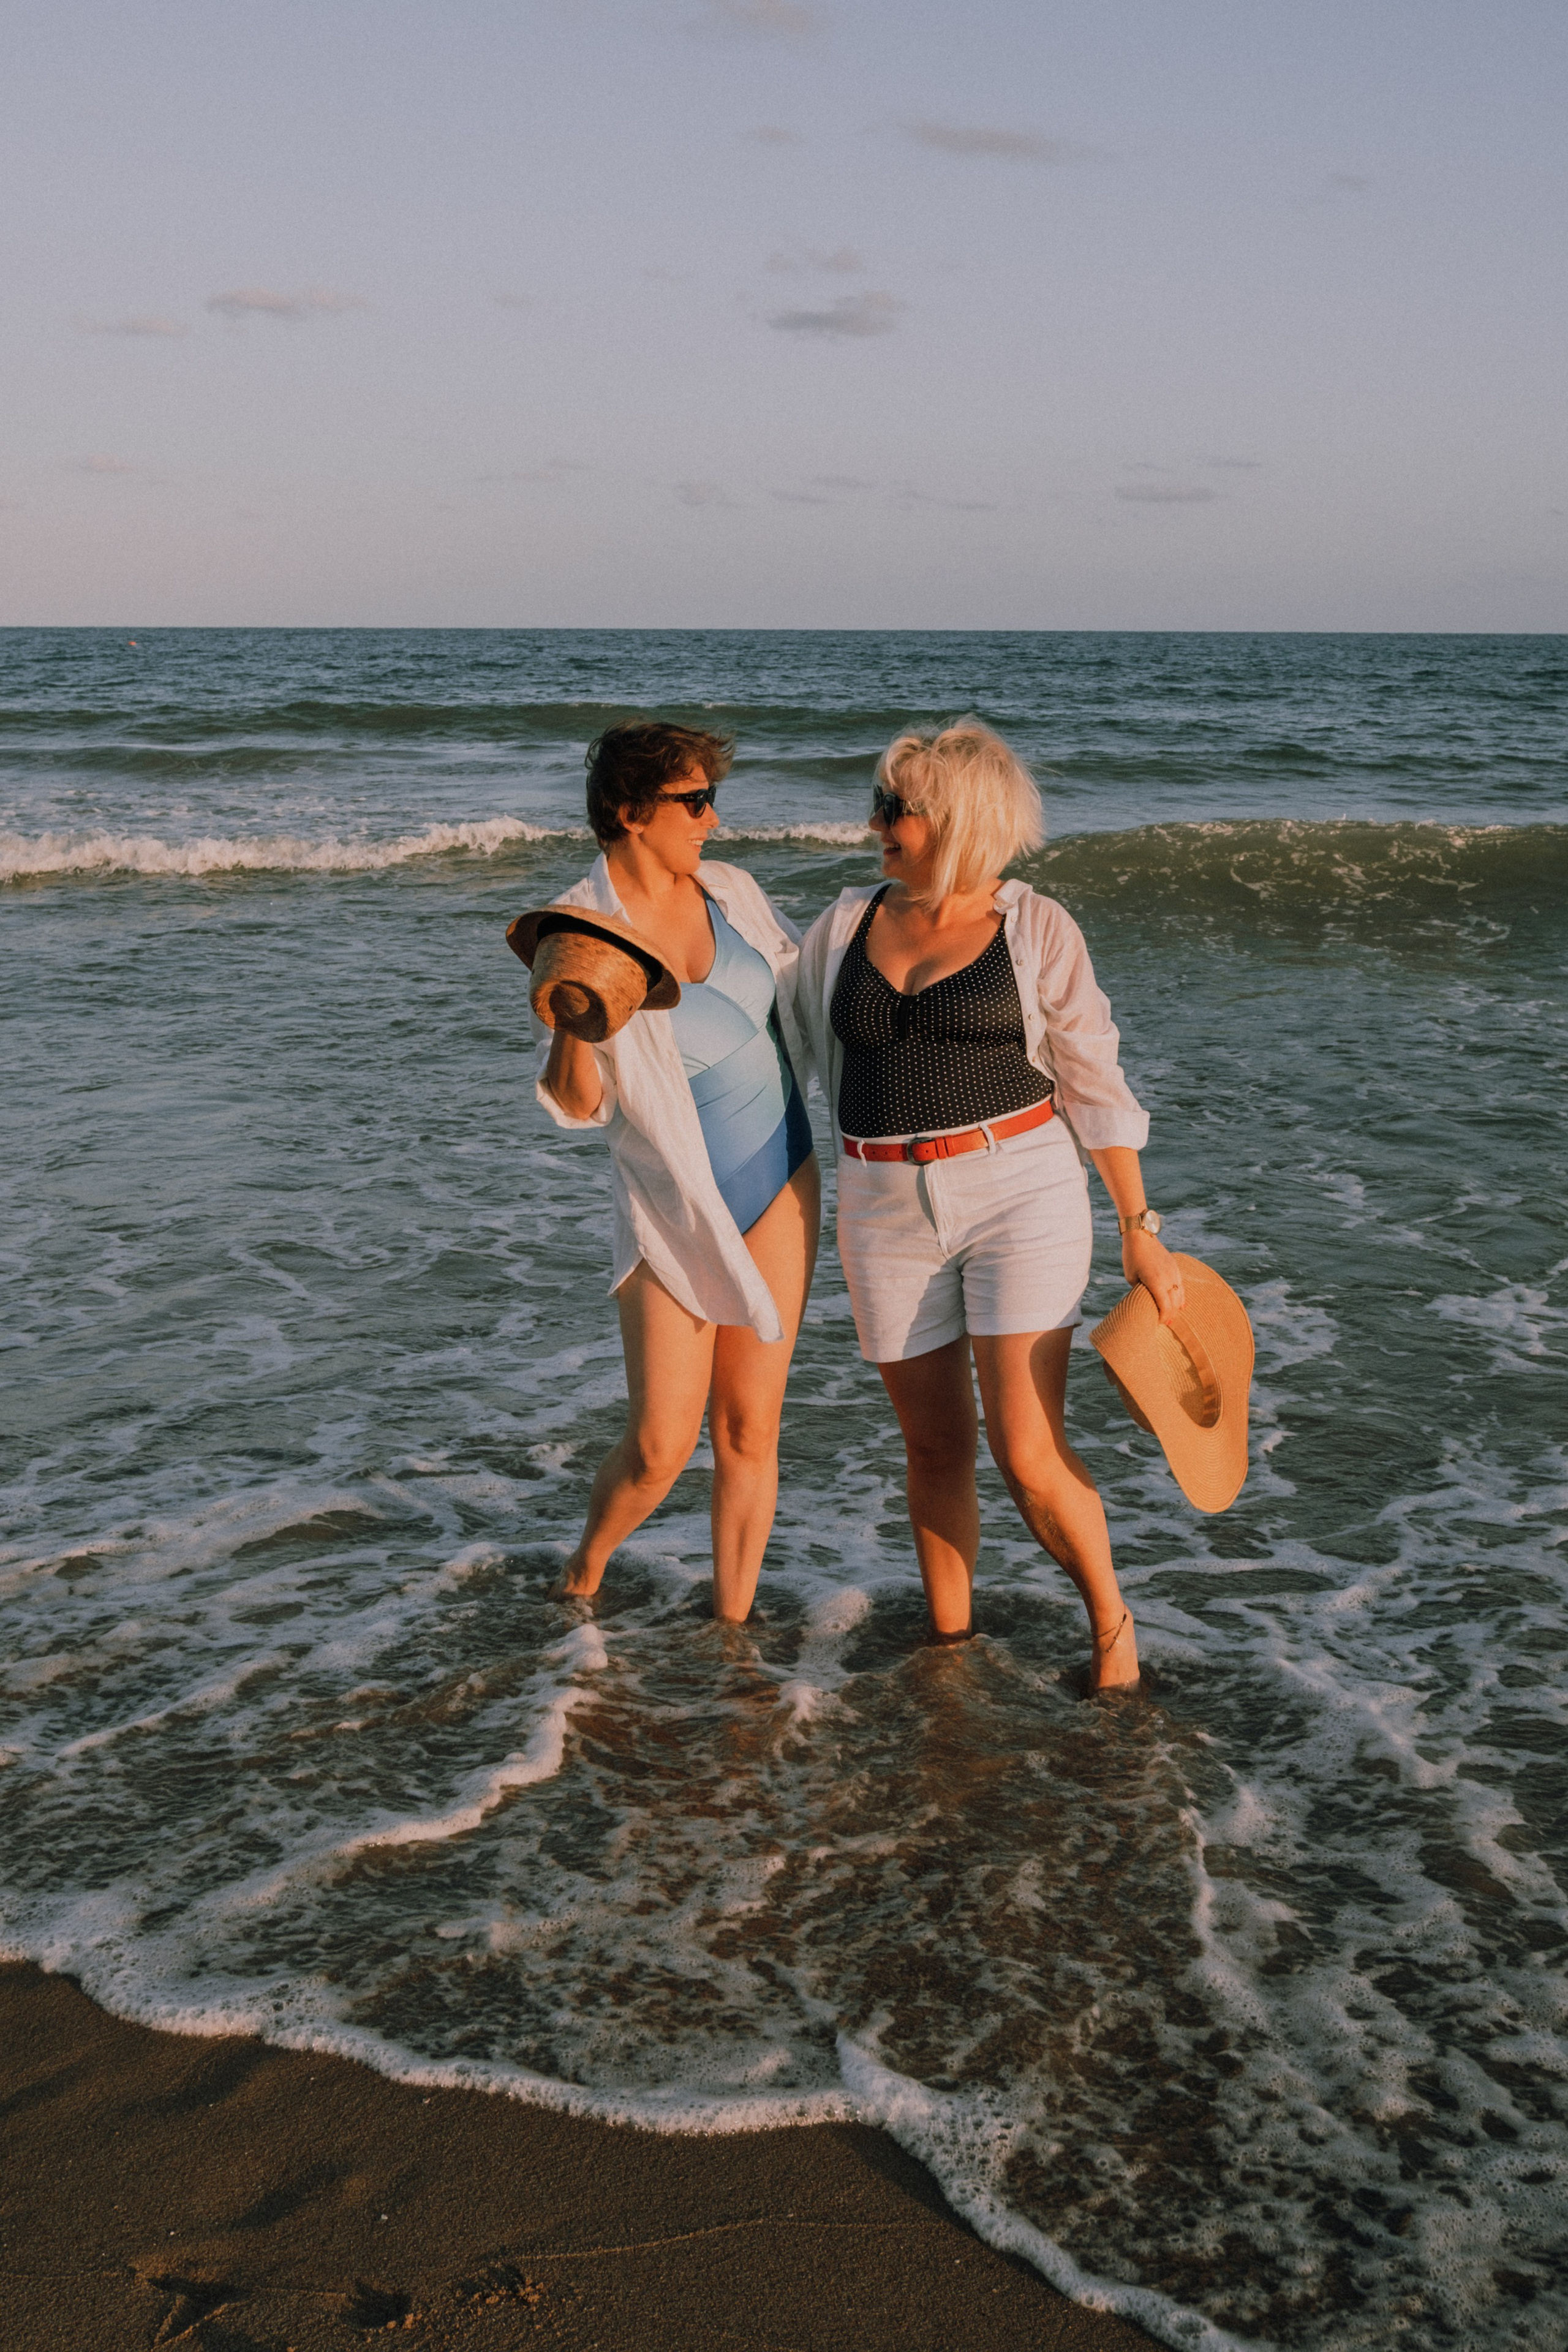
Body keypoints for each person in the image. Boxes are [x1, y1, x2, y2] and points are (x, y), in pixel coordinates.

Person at [792, 721, 1182, 1692]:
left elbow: (1093, 1078)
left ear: (959, 818)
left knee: (1027, 1449)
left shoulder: (1035, 926)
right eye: (878, 802)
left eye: (897, 808)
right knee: (933, 1445)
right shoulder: (844, 924)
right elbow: (771, 1031)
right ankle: (951, 1646)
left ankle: (1112, 1629)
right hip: (881, 1203)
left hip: (1020, 1193)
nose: (876, 822)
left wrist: (1140, 1229)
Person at [533, 720, 820, 1622]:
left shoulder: (731, 891)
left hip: (783, 1175)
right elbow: (577, 1103)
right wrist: (576, 1028)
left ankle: (732, 1626)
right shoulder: (585, 924)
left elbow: (808, 993)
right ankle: (586, 1569)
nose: (712, 819)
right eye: (693, 802)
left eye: (711, 798)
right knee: (661, 1445)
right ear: (631, 813)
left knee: (750, 1429)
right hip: (672, 1204)